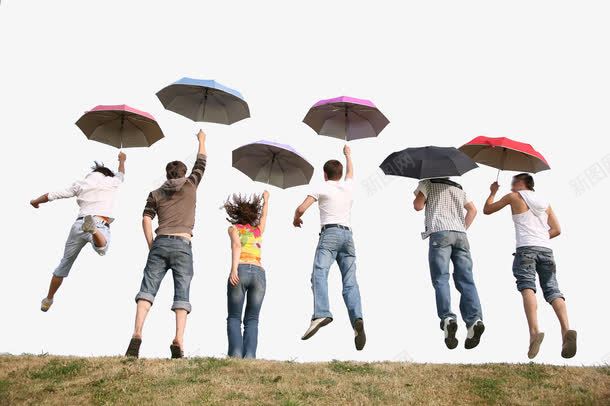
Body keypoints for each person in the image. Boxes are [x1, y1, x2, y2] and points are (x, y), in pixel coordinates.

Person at [125, 130, 207, 359]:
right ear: (183, 173)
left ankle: (137, 334)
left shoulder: (155, 193)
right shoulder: (191, 184)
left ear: (167, 174)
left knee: (147, 290)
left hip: (160, 243)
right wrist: (202, 140)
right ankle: (178, 340)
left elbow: (145, 218)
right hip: (183, 243)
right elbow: (201, 162)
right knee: (182, 293)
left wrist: (152, 244)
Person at [483, 173, 577, 359]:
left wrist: (492, 192)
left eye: (514, 182)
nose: (511, 185)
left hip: (525, 250)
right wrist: (540, 237)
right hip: (546, 250)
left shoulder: (514, 197)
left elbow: (487, 209)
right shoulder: (544, 202)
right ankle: (566, 330)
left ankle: (534, 332)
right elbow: (557, 229)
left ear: (522, 183)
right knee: (552, 289)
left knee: (527, 287)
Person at [30, 152, 127, 312]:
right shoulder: (112, 182)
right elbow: (121, 173)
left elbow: (53, 195)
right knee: (102, 248)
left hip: (78, 224)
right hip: (99, 221)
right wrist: (122, 160)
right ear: (107, 175)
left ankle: (48, 299)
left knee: (64, 263)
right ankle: (94, 231)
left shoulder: (81, 183)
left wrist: (35, 202)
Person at [293, 145, 366, 351]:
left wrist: (296, 218)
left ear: (325, 175)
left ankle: (321, 313)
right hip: (348, 236)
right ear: (340, 174)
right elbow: (351, 172)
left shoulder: (321, 187)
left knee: (319, 273)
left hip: (330, 235)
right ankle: (357, 319)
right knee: (350, 282)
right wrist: (348, 154)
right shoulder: (348, 186)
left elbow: (301, 208)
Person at [413, 177, 485, 350]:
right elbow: (473, 210)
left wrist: (420, 194)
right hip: (461, 235)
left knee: (441, 279)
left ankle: (448, 318)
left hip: (440, 233)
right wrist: (462, 227)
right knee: (467, 280)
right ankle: (475, 320)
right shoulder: (459, 187)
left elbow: (418, 206)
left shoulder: (427, 183)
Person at [224, 191, 270, 359]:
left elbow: (236, 245)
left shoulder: (234, 228)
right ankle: (250, 356)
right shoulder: (258, 230)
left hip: (241, 269)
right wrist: (266, 200)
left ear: (236, 213)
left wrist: (233, 269)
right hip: (259, 273)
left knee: (234, 316)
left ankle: (235, 355)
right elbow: (265, 215)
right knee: (252, 319)